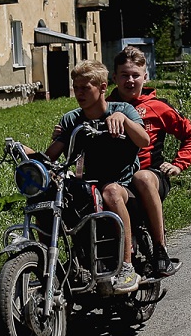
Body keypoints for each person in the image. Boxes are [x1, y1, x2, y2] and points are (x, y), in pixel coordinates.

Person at [33, 60, 150, 293]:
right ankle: (52, 268)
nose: (79, 93)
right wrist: (34, 155)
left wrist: (123, 121)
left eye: (85, 87)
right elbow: (51, 156)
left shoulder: (123, 109)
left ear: (103, 87)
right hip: (86, 185)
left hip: (123, 184)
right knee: (47, 197)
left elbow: (144, 141)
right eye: (76, 87)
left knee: (110, 192)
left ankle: (127, 266)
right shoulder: (71, 119)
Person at [109, 45, 191, 277]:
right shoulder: (105, 107)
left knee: (142, 177)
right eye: (124, 75)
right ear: (114, 77)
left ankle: (160, 249)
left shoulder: (158, 107)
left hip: (151, 175)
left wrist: (179, 163)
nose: (130, 80)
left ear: (145, 76)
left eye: (135, 75)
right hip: (117, 178)